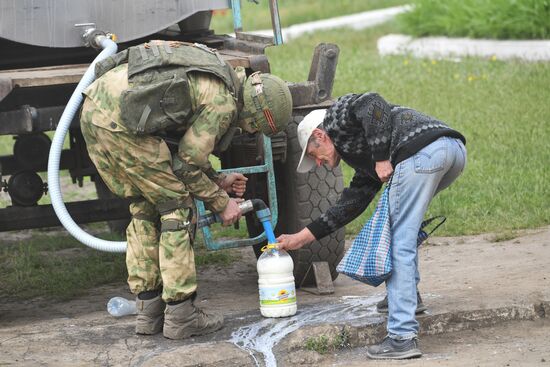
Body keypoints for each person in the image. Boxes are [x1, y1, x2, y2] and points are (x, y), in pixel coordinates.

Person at [80, 40, 292, 339]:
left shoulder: (220, 76)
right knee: (177, 209)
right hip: (123, 123)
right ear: (257, 114)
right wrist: (222, 202)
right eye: (254, 127)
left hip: (95, 111)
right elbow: (186, 167)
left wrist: (217, 180)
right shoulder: (223, 102)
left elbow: (183, 147)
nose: (249, 132)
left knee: (144, 207)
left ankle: (149, 312)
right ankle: (181, 315)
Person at [276, 93, 466, 359]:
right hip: (452, 151)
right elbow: (349, 206)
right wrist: (301, 238)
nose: (317, 163)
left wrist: (380, 158)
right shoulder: (360, 156)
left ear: (320, 136)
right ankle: (408, 298)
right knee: (400, 230)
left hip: (421, 154)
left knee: (398, 239)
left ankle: (401, 337)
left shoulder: (335, 119)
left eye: (314, 155)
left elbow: (372, 103)